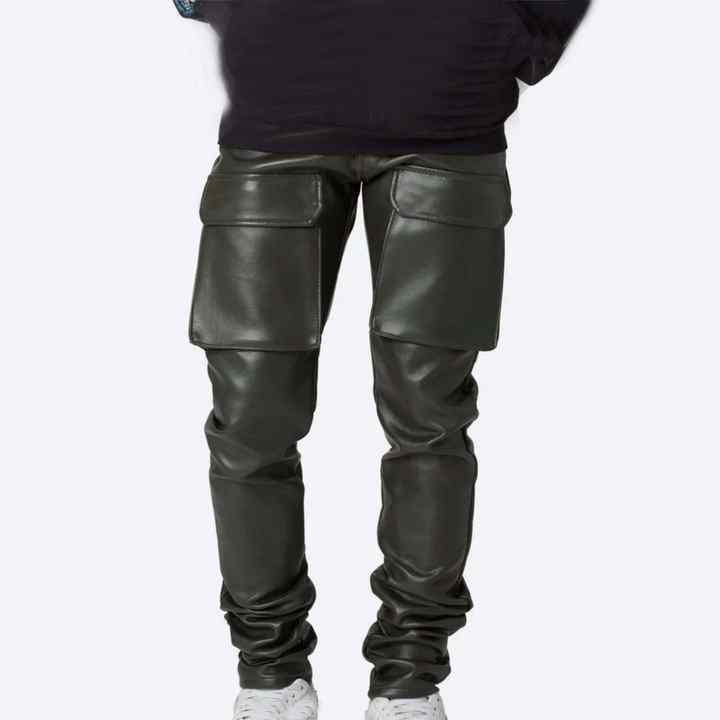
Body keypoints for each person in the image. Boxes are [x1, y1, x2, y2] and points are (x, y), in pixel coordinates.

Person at [174, 1, 591, 718]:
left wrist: (514, 29)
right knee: (249, 423)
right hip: (276, 109)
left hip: (446, 118)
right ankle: (269, 672)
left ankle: (409, 678)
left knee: (429, 421)